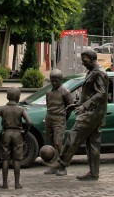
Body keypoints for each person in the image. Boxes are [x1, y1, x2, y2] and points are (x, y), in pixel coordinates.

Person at [45, 48, 108, 181]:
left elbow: (101, 94)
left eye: (85, 60)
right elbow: (89, 93)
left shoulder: (99, 73)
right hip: (93, 112)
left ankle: (62, 163)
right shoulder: (91, 72)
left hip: (92, 113)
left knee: (73, 135)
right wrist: (78, 104)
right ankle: (94, 173)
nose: (83, 63)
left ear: (92, 59)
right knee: (93, 145)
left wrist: (85, 106)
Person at [43, 69, 74, 175]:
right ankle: (53, 166)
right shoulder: (48, 92)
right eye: (52, 80)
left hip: (59, 119)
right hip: (49, 118)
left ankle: (62, 167)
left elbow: (70, 107)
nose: (54, 82)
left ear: (61, 80)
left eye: (56, 80)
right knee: (50, 143)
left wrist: (64, 118)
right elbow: (48, 105)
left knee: (58, 143)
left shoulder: (65, 92)